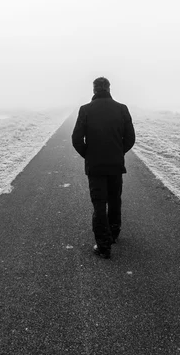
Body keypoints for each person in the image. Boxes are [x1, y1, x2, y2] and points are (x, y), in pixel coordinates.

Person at [72, 77, 135, 259]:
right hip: (115, 165)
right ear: (108, 88)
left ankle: (103, 246)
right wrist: (117, 152)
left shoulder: (85, 110)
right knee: (115, 200)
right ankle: (114, 234)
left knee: (99, 204)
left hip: (96, 166)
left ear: (94, 90)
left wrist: (90, 155)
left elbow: (76, 139)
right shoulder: (122, 109)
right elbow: (130, 138)